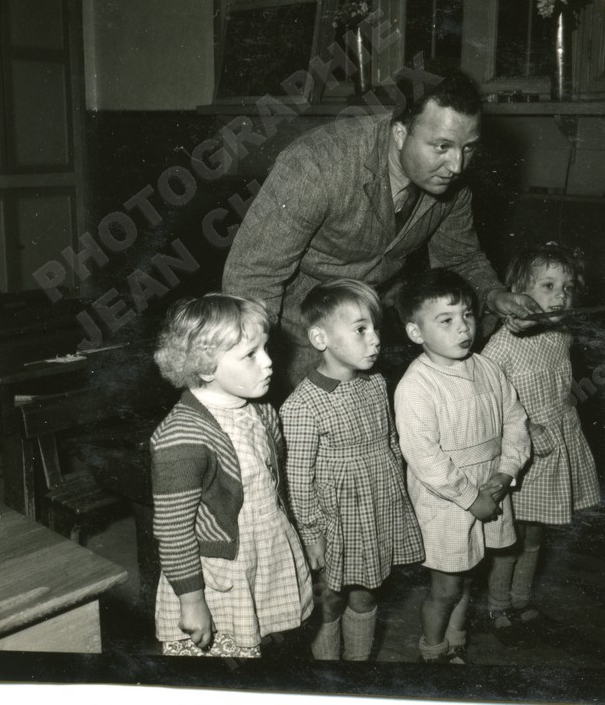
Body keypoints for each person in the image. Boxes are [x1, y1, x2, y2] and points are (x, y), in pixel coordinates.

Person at [222, 62, 540, 394]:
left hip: (373, 327)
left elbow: (460, 259)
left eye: (468, 147)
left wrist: (495, 295)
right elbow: (252, 275)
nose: (457, 165)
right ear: (400, 134)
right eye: (442, 147)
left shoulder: (452, 186)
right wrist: (255, 359)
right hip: (294, 330)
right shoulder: (316, 165)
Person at [150, 293, 313, 658]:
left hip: (266, 554)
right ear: (206, 367)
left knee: (272, 652)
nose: (269, 362)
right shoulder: (181, 438)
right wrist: (192, 601)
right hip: (220, 577)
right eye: (250, 354)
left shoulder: (262, 413)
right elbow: (174, 532)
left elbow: (275, 487)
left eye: (265, 348)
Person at [279, 278, 424, 661]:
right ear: (320, 338)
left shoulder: (375, 384)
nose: (375, 339)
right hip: (335, 521)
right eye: (360, 329)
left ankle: (358, 671)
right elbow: (297, 480)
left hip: (377, 509)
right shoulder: (302, 406)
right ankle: (329, 675)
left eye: (376, 328)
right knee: (329, 599)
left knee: (366, 594)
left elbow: (391, 443)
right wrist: (311, 534)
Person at [393, 268, 530, 663]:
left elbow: (515, 421)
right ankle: (432, 652)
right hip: (447, 500)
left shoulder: (488, 368)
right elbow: (425, 458)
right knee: (446, 587)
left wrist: (506, 472)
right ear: (416, 332)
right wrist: (471, 499)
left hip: (491, 485)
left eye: (468, 314)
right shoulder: (416, 385)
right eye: (446, 320)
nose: (463, 327)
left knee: (469, 577)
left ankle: (456, 641)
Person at [480, 242, 601, 646]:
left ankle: (521, 599)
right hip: (523, 454)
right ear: (518, 293)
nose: (560, 295)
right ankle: (498, 606)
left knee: (535, 535)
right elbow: (487, 401)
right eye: (548, 285)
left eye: (567, 287)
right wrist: (528, 428)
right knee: (511, 535)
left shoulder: (561, 335)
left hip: (556, 447)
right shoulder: (501, 346)